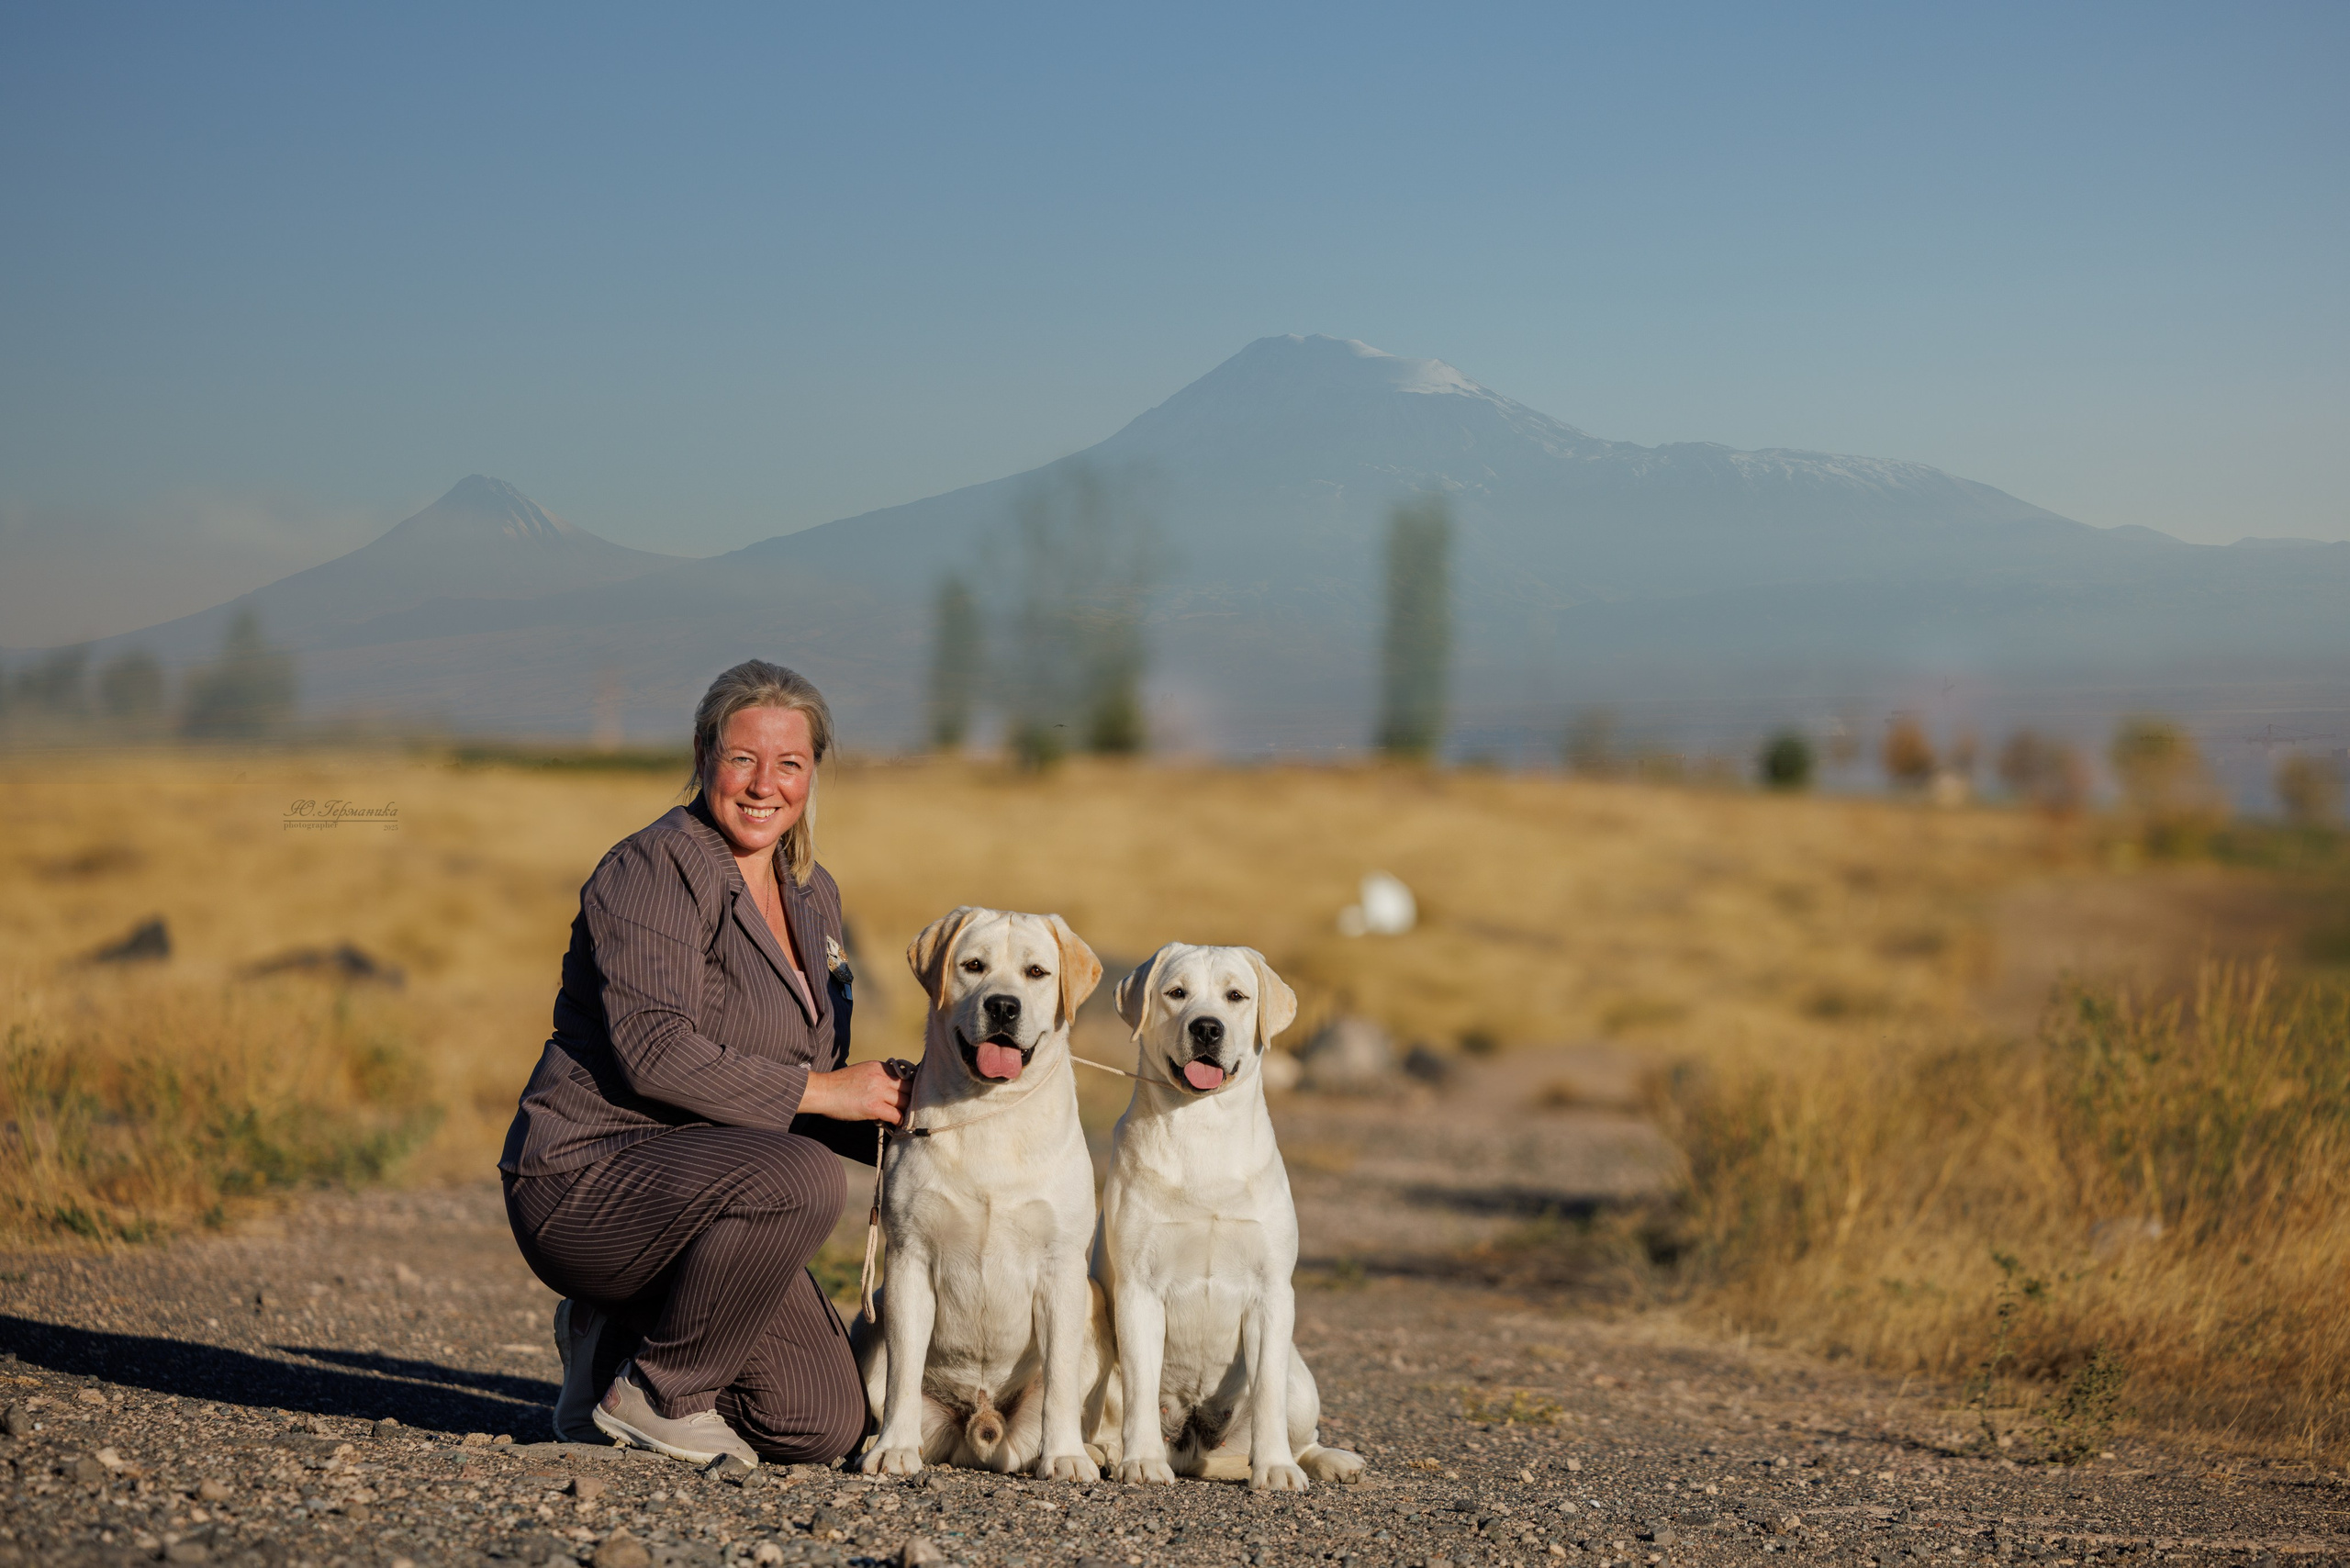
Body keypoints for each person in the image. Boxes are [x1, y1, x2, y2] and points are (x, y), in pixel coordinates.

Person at [499, 660, 911, 1470]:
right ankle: (659, 1392)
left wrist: (935, 1108)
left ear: (813, 772)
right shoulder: (654, 867)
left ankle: (610, 1340)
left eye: (789, 763)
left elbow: (808, 1083)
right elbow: (656, 1051)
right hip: (589, 1183)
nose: (765, 785)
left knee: (823, 1426)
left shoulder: (812, 892)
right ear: (703, 755)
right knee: (803, 1177)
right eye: (742, 759)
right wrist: (830, 1092)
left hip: (718, 1191)